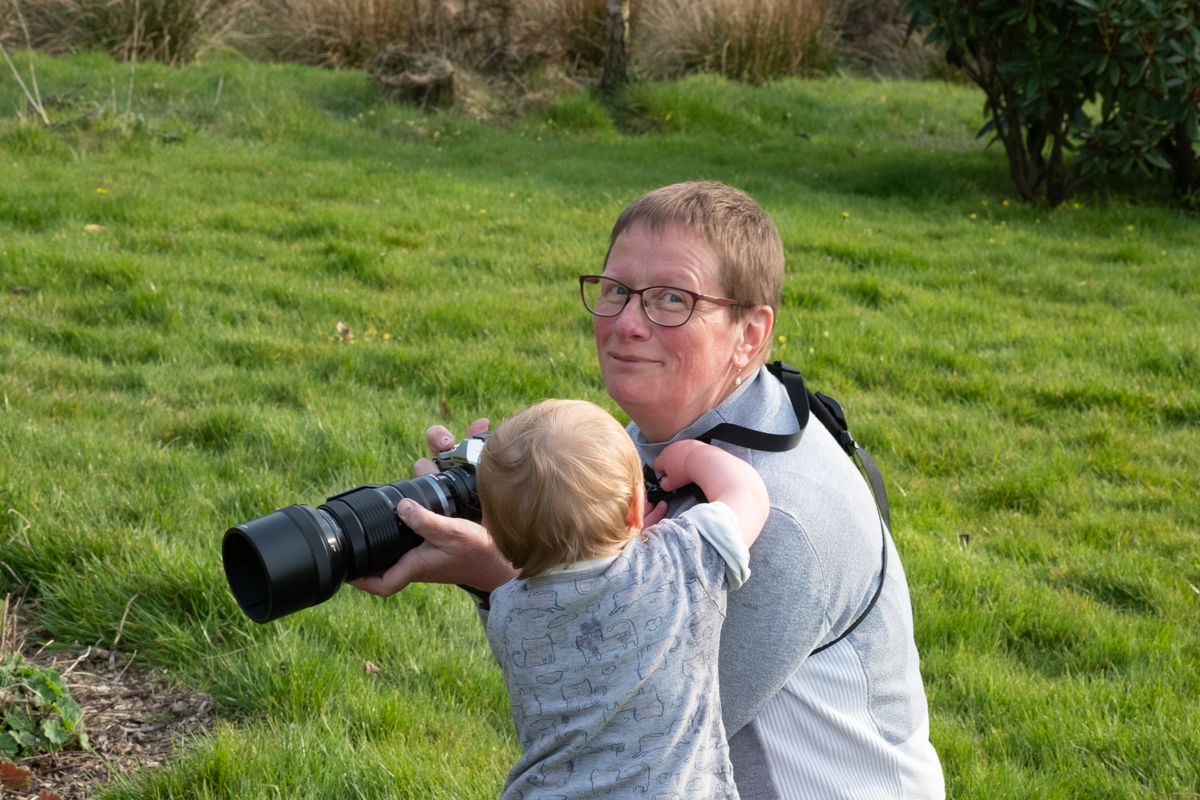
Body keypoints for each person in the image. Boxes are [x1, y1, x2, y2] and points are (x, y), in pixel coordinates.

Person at [352, 181, 946, 800]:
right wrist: (520, 506)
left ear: (749, 334)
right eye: (616, 290)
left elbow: (624, 722)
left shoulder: (779, 514)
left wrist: (496, 568)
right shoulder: (681, 424)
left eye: (672, 299)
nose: (627, 324)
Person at [475, 398, 768, 799]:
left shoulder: (507, 611)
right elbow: (748, 494)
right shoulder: (677, 561)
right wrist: (690, 456)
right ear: (635, 506)